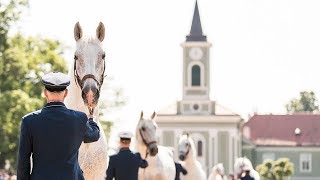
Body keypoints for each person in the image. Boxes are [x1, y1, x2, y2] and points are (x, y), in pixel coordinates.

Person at [17, 72, 100, 180]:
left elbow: (23, 161)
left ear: (45, 93)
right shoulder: (79, 119)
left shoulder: (29, 121)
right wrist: (91, 118)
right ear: (65, 93)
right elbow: (93, 135)